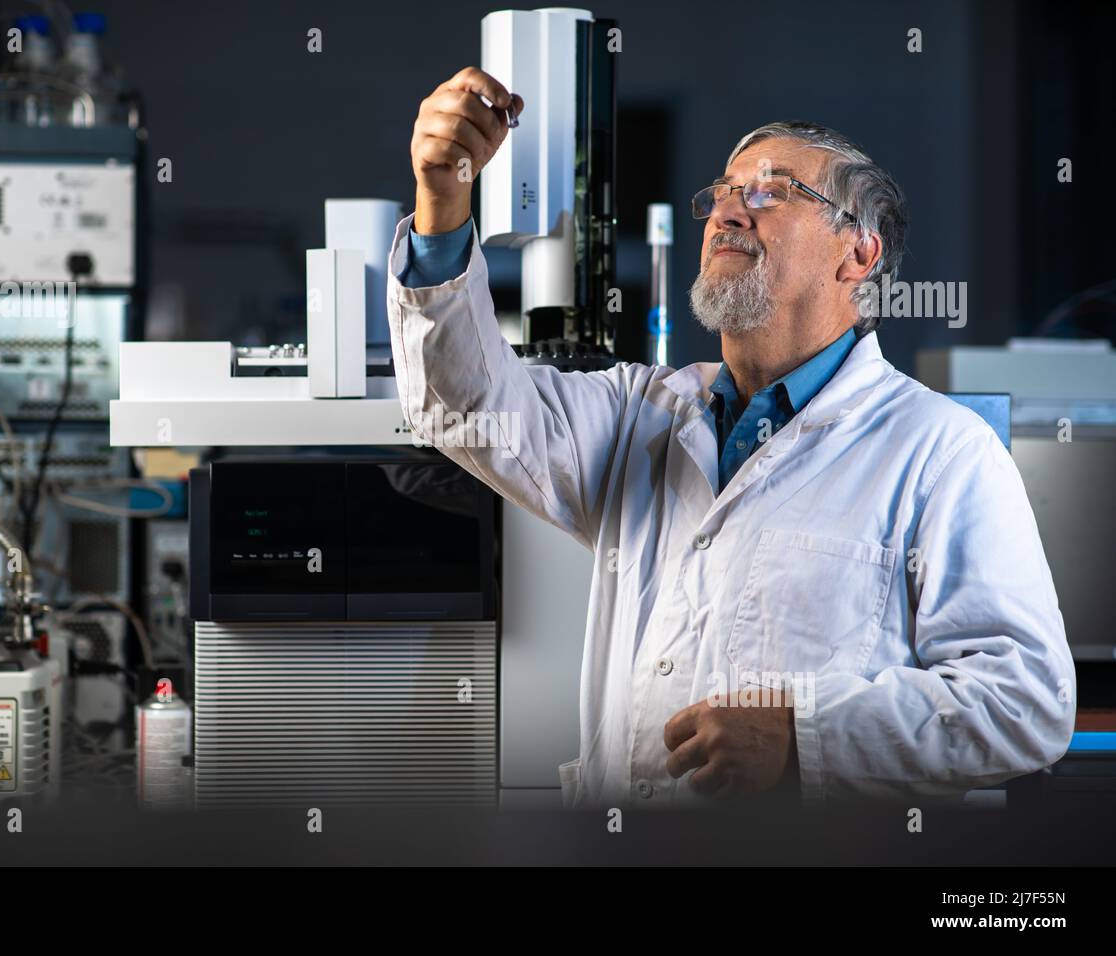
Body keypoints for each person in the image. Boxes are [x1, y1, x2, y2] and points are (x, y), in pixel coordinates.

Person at [386, 66, 1075, 805]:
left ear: (859, 254)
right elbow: (465, 404)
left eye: (771, 193)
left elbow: (1022, 701)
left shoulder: (941, 451)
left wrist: (803, 737)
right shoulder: (637, 416)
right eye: (720, 193)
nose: (727, 212)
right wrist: (442, 203)